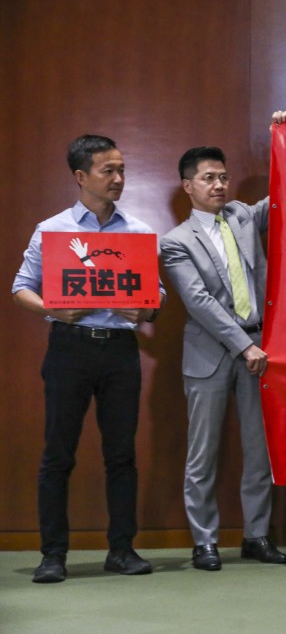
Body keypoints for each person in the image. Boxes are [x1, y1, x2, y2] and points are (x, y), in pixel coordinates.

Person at [12, 134, 163, 583]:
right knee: (57, 454)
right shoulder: (52, 228)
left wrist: (146, 307)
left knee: (121, 456)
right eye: (108, 171)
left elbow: (154, 298)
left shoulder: (136, 232)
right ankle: (53, 554)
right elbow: (21, 287)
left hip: (119, 350)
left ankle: (122, 550)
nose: (118, 178)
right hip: (69, 347)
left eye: (121, 170)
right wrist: (52, 309)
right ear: (81, 176)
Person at [160, 129, 286, 571]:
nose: (219, 185)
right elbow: (198, 302)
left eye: (223, 176)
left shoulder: (241, 215)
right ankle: (205, 542)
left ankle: (256, 536)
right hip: (212, 355)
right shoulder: (175, 241)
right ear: (188, 186)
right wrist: (241, 346)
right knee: (204, 453)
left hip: (259, 347)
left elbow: (285, 194)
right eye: (209, 178)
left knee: (260, 451)